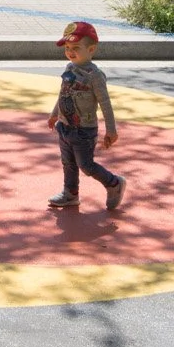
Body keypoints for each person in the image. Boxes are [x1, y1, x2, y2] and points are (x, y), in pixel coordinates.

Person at [46, 21, 124, 212]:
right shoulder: (69, 69)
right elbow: (63, 93)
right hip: (64, 127)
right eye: (67, 48)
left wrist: (111, 130)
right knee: (68, 163)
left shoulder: (95, 76)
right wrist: (55, 114)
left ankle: (114, 183)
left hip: (83, 130)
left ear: (91, 49)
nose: (70, 52)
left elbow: (105, 103)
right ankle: (70, 194)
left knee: (86, 165)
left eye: (76, 48)